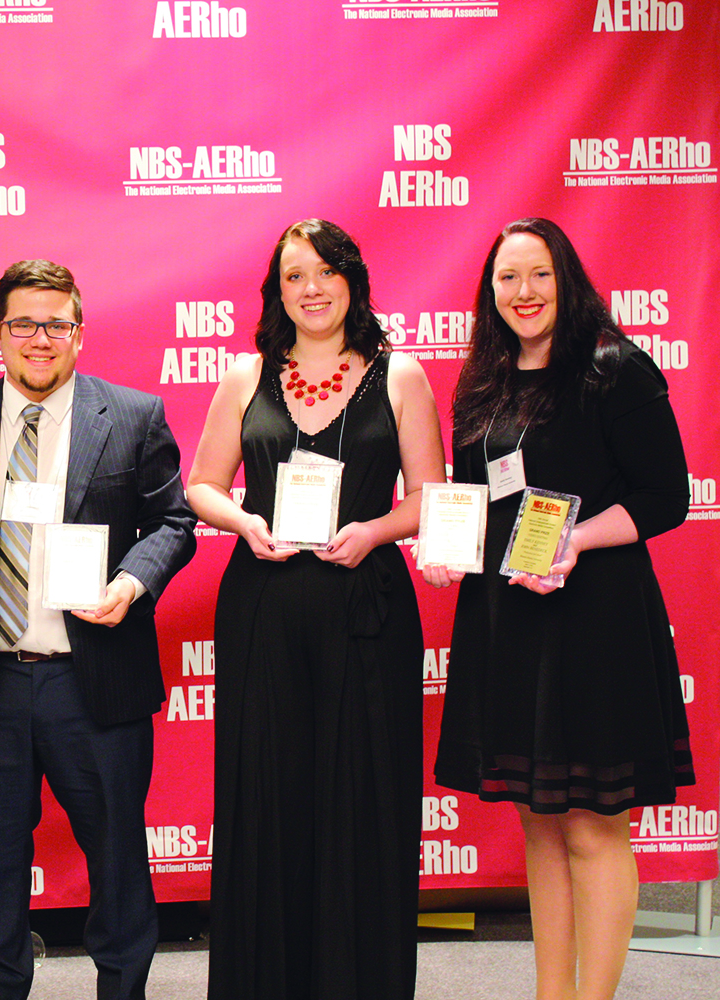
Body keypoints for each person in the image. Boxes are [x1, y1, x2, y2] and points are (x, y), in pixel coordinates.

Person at [0, 259, 196, 1000]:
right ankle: (0, 981)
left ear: (79, 333)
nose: (40, 338)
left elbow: (173, 523)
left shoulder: (133, 416)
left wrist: (131, 583)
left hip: (93, 677)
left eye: (56, 324)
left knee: (116, 850)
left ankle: (122, 986)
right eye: (24, 324)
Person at [425, 218, 693, 1000]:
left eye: (539, 274)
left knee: (592, 827)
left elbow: (665, 497)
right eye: (508, 278)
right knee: (539, 826)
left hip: (596, 624)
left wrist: (577, 539)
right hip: (509, 623)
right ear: (490, 291)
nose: (524, 292)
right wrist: (447, 547)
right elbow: (476, 495)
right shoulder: (484, 381)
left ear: (566, 278)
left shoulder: (614, 368)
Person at [187, 219, 444, 1000]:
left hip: (366, 611)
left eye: (326, 272)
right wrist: (243, 522)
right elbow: (202, 485)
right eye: (295, 275)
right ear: (277, 291)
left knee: (364, 798)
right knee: (268, 797)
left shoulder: (401, 376)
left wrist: (376, 530)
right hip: (264, 607)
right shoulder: (246, 375)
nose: (312, 288)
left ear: (352, 281)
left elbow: (431, 497)